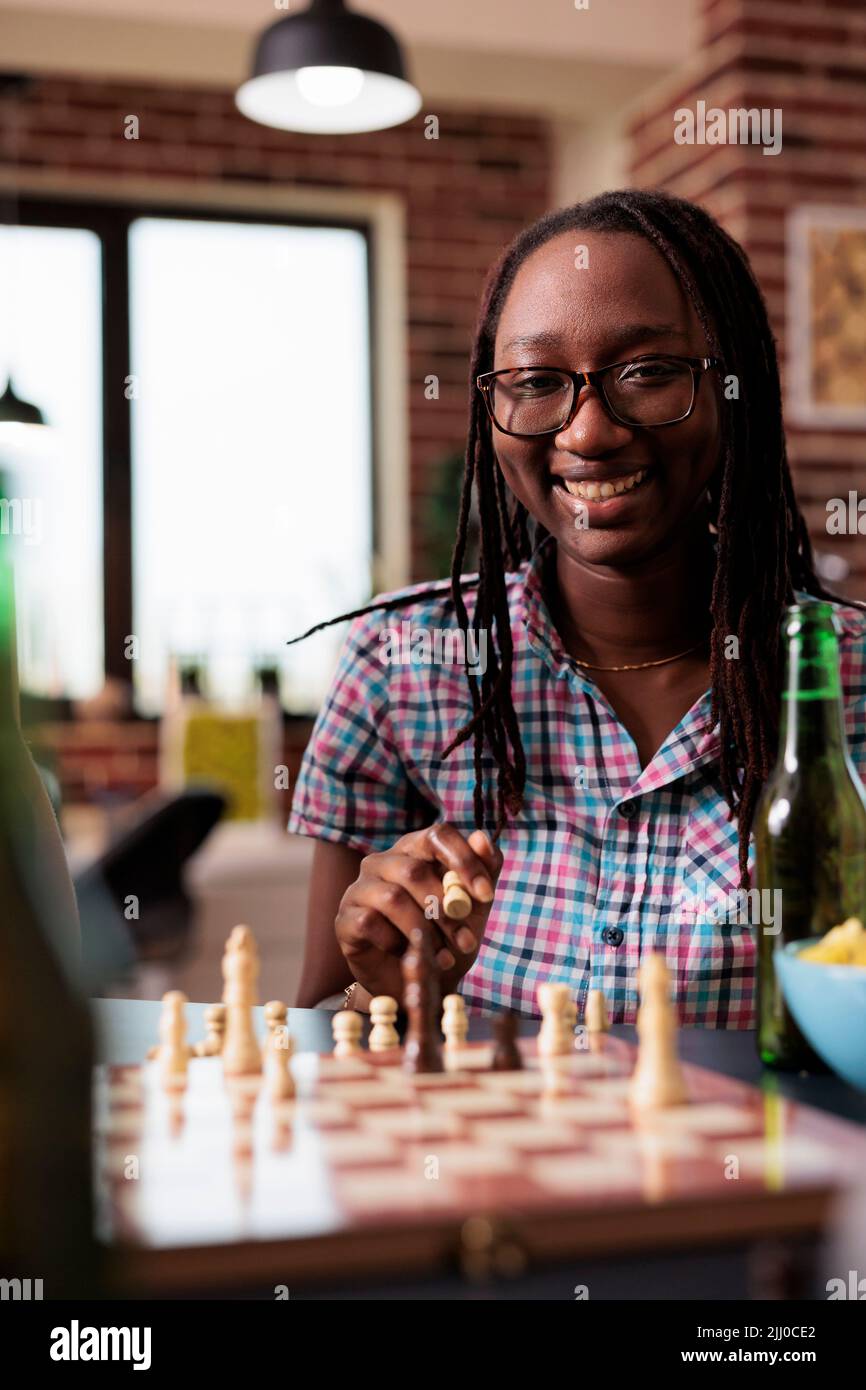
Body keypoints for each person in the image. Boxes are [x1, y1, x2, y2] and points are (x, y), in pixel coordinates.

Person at [287, 189, 866, 1025]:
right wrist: (386, 990)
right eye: (535, 381)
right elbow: (315, 1030)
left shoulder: (845, 680)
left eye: (649, 372)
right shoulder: (402, 664)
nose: (588, 432)